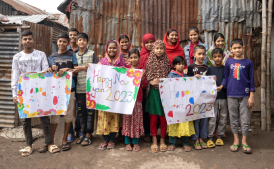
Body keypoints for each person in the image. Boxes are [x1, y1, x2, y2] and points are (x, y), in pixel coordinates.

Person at [11, 30, 59, 156]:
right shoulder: (17, 57)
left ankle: (49, 143)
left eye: (30, 39)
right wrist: (14, 94)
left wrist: (47, 70)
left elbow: (44, 70)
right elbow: (15, 76)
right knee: (25, 119)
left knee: (44, 116)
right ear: (22, 41)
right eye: (25, 39)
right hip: (23, 92)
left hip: (39, 91)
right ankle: (28, 145)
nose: (28, 41)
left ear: (33, 40)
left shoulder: (40, 54)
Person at [218, 39, 255, 154]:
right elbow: (226, 77)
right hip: (231, 94)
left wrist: (252, 95)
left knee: (245, 119)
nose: (237, 49)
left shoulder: (248, 62)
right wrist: (221, 86)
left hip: (245, 94)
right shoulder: (228, 62)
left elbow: (252, 80)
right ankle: (236, 140)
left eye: (239, 47)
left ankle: (244, 141)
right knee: (233, 119)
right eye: (235, 48)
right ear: (231, 50)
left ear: (243, 48)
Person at [47, 33, 78, 151]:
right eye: (60, 41)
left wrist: (67, 69)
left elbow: (75, 71)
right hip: (55, 91)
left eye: (64, 42)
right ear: (57, 42)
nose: (62, 44)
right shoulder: (52, 57)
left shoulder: (72, 55)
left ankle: (65, 139)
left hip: (70, 89)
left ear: (68, 43)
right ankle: (51, 141)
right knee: (54, 116)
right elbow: (48, 71)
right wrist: (50, 68)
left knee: (68, 115)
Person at [97, 40, 127, 150]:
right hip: (103, 97)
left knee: (114, 118)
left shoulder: (122, 62)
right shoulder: (102, 61)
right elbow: (95, 73)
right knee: (104, 117)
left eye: (114, 48)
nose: (112, 50)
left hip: (115, 97)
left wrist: (125, 71)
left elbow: (126, 78)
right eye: (110, 48)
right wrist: (90, 68)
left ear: (118, 49)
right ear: (106, 49)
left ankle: (112, 140)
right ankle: (105, 139)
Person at [72, 33, 98, 146]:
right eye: (79, 40)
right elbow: (72, 70)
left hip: (91, 89)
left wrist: (83, 68)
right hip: (79, 89)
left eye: (84, 40)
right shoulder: (74, 55)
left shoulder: (92, 54)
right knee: (81, 112)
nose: (81, 42)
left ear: (87, 42)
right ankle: (82, 132)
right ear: (76, 42)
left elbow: (97, 69)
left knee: (90, 112)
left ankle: (89, 134)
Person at [146, 40, 171, 153]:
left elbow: (169, 77)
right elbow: (149, 78)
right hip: (153, 93)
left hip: (164, 92)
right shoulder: (150, 61)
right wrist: (151, 82)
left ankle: (162, 140)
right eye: (157, 48)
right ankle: (154, 140)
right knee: (153, 118)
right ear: (153, 49)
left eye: (161, 48)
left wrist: (161, 81)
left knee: (163, 117)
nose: (159, 50)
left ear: (164, 49)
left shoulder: (167, 62)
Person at [166, 56, 195, 152]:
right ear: (174, 65)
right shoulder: (171, 76)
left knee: (184, 122)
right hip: (174, 105)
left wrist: (195, 78)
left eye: (183, 64)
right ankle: (172, 142)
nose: (181, 66)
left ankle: (185, 142)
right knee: (173, 122)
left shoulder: (185, 77)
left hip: (184, 104)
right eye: (179, 64)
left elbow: (191, 84)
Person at [122, 49, 146, 152]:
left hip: (137, 99)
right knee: (127, 120)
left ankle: (135, 142)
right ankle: (127, 142)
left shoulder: (142, 70)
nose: (133, 59)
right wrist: (122, 73)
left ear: (139, 58)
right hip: (126, 99)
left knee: (136, 120)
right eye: (131, 57)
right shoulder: (126, 69)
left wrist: (143, 77)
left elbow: (144, 86)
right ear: (128, 59)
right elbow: (121, 84)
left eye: (135, 57)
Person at [187, 45, 209, 150]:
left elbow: (209, 82)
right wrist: (192, 78)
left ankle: (202, 138)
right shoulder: (190, 67)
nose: (201, 56)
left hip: (204, 97)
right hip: (194, 97)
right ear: (194, 54)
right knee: (195, 118)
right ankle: (195, 139)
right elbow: (186, 81)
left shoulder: (206, 68)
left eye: (203, 54)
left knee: (204, 118)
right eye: (199, 54)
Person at [207, 48, 228, 148]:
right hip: (213, 98)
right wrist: (212, 81)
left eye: (219, 56)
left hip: (223, 97)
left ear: (223, 57)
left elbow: (227, 79)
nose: (217, 58)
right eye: (215, 57)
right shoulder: (210, 69)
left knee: (223, 118)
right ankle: (210, 137)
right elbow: (206, 82)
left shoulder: (225, 68)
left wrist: (222, 86)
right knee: (212, 118)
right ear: (212, 58)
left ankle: (219, 136)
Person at [139, 33, 156, 142]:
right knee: (145, 110)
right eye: (147, 42)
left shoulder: (158, 54)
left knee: (154, 111)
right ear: (143, 44)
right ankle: (147, 133)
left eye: (151, 42)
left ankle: (155, 132)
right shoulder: (140, 55)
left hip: (155, 87)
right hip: (144, 86)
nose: (150, 44)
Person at [67, 28, 81, 143]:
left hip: (80, 81)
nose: (73, 37)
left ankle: (78, 129)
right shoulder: (65, 49)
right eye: (71, 35)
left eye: (74, 35)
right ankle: (70, 132)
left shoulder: (81, 49)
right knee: (70, 108)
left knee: (78, 108)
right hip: (68, 83)